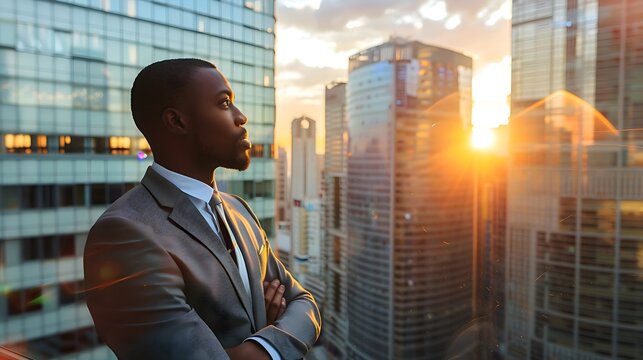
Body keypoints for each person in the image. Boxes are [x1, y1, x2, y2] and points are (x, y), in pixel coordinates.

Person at [83, 58, 321, 360]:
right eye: (224, 103)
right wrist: (271, 337)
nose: (241, 117)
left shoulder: (240, 211)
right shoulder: (124, 233)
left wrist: (258, 347)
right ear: (177, 122)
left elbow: (304, 302)